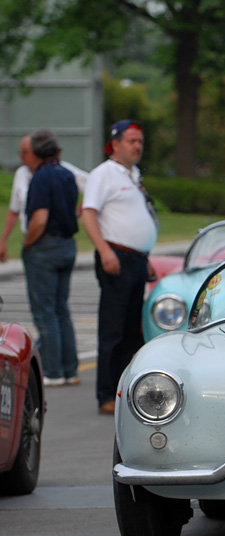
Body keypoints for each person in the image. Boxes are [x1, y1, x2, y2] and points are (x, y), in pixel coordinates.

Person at [81, 120, 159, 415]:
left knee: (131, 329)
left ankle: (124, 391)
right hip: (116, 257)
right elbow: (88, 214)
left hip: (136, 259)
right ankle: (105, 394)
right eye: (131, 141)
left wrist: (145, 257)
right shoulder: (104, 174)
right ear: (115, 144)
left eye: (140, 141)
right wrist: (104, 251)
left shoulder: (133, 174)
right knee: (113, 328)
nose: (137, 146)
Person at [21, 130, 80, 387]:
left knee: (46, 312)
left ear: (35, 152)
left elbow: (40, 218)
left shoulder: (41, 177)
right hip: (67, 244)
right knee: (61, 309)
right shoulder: (67, 175)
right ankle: (70, 369)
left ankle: (53, 371)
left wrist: (27, 242)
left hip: (45, 246)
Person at [2, 135, 88, 263]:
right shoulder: (22, 173)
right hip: (33, 235)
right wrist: (4, 240)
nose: (21, 156)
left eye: (25, 152)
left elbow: (40, 218)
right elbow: (14, 209)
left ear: (37, 152)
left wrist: (78, 211)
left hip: (52, 237)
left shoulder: (59, 172)